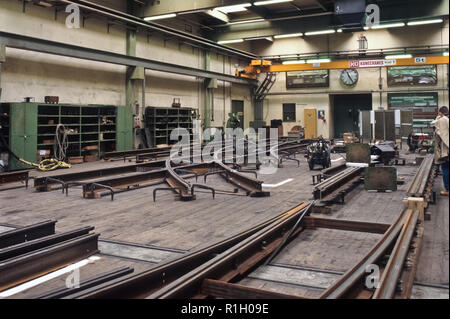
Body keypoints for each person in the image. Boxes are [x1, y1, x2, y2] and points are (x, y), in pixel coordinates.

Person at [433, 106, 449, 196]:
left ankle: (447, 189)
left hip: (446, 150)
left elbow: (441, 136)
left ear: (440, 113)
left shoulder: (443, 121)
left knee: (446, 169)